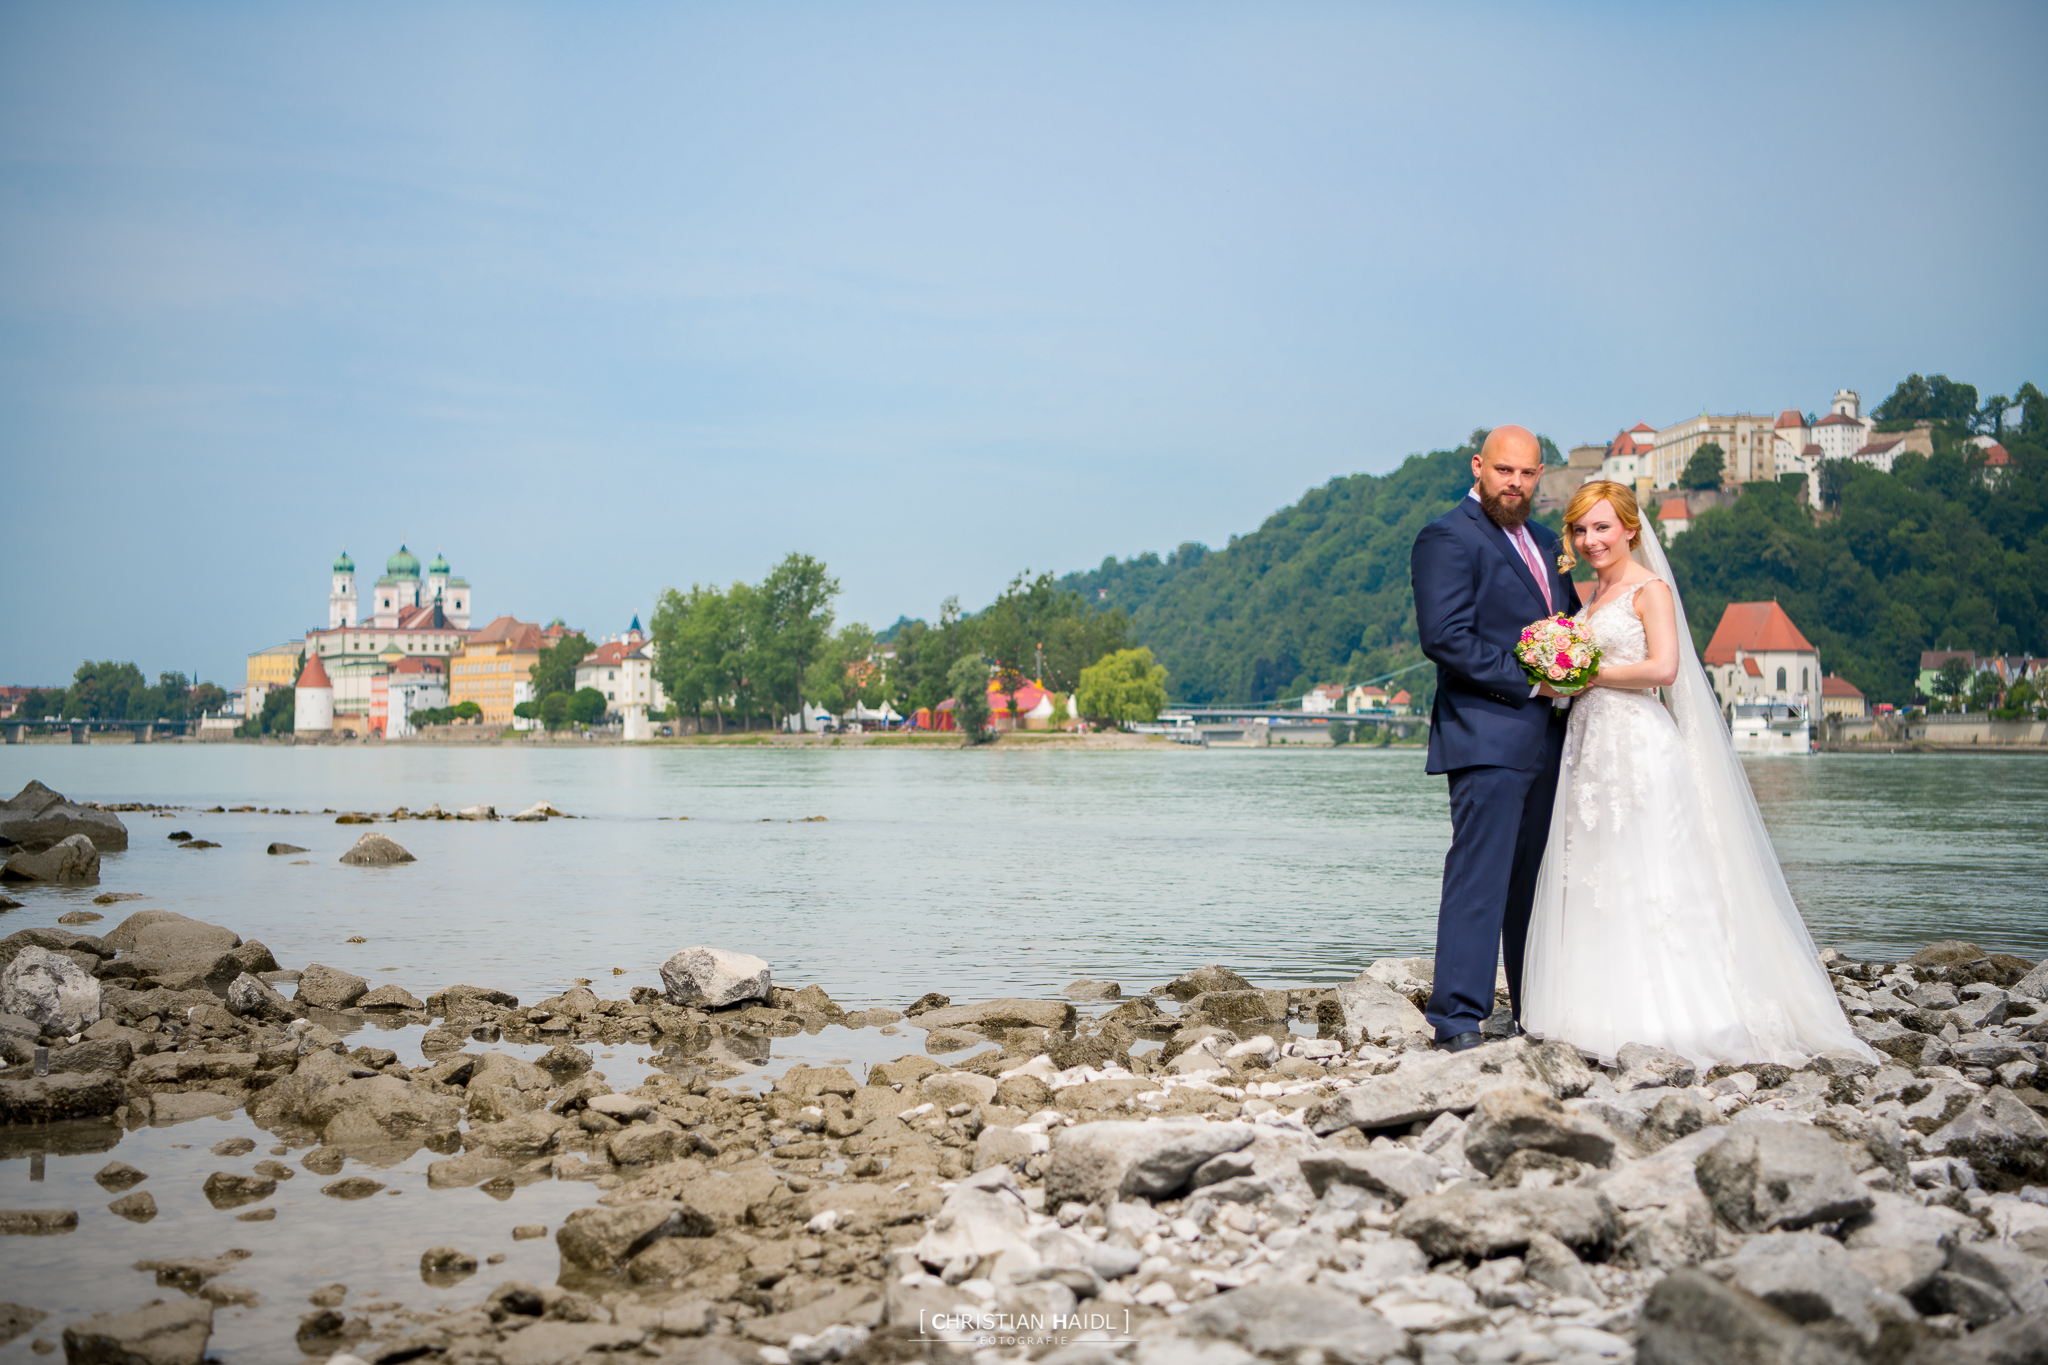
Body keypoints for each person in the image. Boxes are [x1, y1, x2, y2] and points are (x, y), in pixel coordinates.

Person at [1519, 481, 1874, 1067]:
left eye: (1603, 527)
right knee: (1596, 869)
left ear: (1631, 528)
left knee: (1649, 868)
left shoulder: (1649, 589)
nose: (1590, 540)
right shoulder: (1591, 596)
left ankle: (1678, 1011)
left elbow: (1664, 666)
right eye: (1581, 530)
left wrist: (1587, 674)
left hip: (1638, 744)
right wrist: (1558, 677)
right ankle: (1592, 1007)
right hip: (1590, 745)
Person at [1410, 426, 1576, 1052]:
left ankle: (1536, 1007)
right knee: (1481, 876)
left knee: (1535, 881)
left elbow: (1568, 626)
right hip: (1485, 734)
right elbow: (1445, 636)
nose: (1515, 483)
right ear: (1479, 467)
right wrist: (1534, 684)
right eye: (1504, 471)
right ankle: (1457, 1020)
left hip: (1549, 741)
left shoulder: (1542, 540)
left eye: (1528, 474)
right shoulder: (1448, 536)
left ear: (1540, 476)